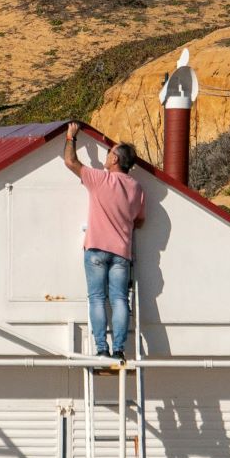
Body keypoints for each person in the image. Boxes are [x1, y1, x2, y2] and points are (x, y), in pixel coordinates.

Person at [63, 121, 145, 363]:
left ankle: (102, 349)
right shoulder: (137, 188)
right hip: (122, 253)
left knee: (97, 298)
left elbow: (70, 162)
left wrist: (71, 137)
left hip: (96, 249)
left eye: (110, 153)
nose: (106, 156)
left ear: (115, 160)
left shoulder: (100, 180)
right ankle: (119, 348)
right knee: (120, 299)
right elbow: (139, 221)